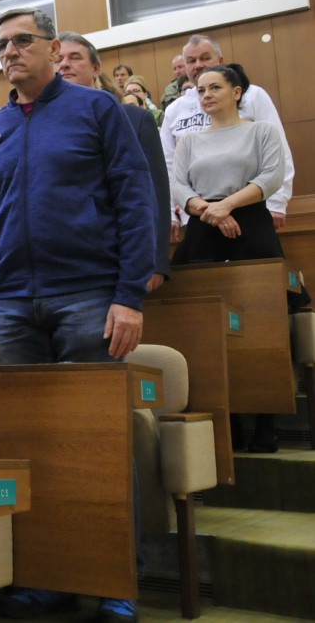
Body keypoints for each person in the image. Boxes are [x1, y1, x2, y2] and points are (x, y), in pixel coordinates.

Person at [0, 9, 153, 623]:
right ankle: (48, 575)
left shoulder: (97, 110)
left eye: (23, 41)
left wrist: (129, 294)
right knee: (31, 448)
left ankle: (115, 579)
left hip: (89, 295)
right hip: (13, 305)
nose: (10, 52)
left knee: (99, 444)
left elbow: (134, 199)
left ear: (53, 48)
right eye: (1, 45)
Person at [170, 64, 304, 453]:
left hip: (251, 223)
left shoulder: (260, 131)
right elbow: (178, 184)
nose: (206, 95)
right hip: (203, 227)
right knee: (204, 324)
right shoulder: (189, 140)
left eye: (215, 87)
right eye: (200, 90)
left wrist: (226, 206)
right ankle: (222, 421)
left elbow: (271, 176)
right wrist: (208, 210)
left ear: (237, 92)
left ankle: (266, 420)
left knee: (262, 321)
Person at [57, 32, 171, 294]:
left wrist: (156, 261)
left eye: (75, 57)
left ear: (96, 68)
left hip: (122, 253)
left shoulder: (135, 118)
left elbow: (155, 190)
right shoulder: (41, 122)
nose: (64, 64)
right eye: (58, 59)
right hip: (65, 261)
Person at [161, 34, 294, 234]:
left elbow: (279, 154)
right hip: (197, 214)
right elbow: (169, 166)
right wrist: (172, 212)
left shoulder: (253, 95)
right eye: (191, 61)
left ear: (220, 60)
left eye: (205, 58)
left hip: (252, 207)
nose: (198, 65)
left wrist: (277, 202)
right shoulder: (174, 109)